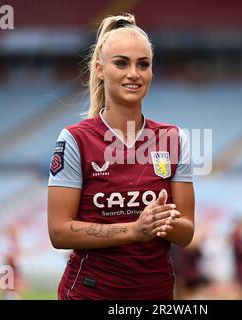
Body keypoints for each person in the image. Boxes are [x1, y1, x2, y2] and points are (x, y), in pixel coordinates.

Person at [47, 13, 195, 300]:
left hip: (156, 293)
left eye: (143, 64)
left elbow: (186, 232)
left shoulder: (175, 139)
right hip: (90, 293)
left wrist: (163, 221)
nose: (134, 74)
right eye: (121, 63)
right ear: (101, 70)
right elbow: (59, 233)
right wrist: (133, 230)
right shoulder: (75, 139)